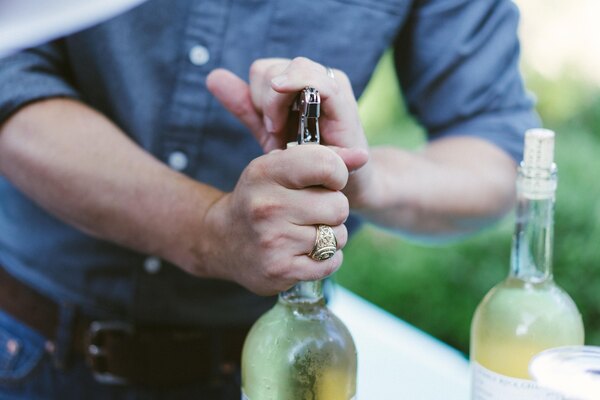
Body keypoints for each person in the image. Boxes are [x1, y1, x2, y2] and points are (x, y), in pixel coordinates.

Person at [0, 0, 538, 398]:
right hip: (28, 350)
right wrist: (206, 227)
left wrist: (361, 179)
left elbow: (494, 151)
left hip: (269, 370)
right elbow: (9, 73)